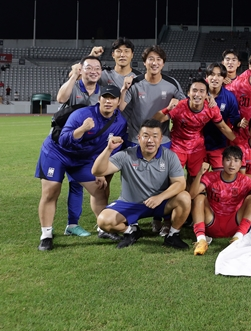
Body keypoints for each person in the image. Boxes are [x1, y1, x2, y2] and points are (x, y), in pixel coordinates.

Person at [35, 85, 127, 250]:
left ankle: (102, 228)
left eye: (112, 98)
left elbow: (113, 148)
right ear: (99, 99)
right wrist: (82, 129)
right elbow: (63, 140)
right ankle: (46, 234)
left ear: (118, 101)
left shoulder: (120, 122)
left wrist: (100, 170)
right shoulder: (82, 114)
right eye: (105, 97)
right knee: (51, 191)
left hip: (82, 159)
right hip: (57, 153)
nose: (108, 101)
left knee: (100, 190)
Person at [92, 119, 191, 249]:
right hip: (130, 203)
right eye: (146, 136)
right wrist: (108, 149)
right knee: (103, 221)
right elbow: (97, 170)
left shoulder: (170, 156)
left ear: (161, 139)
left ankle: (172, 235)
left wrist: (160, 197)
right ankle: (131, 231)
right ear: (139, 138)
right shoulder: (126, 155)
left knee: (184, 197)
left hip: (159, 203)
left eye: (155, 136)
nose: (150, 140)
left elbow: (180, 183)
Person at [54, 55, 106, 238]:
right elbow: (61, 98)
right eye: (89, 68)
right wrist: (73, 76)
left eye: (97, 69)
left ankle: (78, 225)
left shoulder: (102, 92)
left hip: (87, 148)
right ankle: (71, 225)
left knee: (81, 185)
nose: (93, 72)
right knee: (66, 185)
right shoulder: (75, 85)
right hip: (66, 144)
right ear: (81, 70)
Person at [154, 78, 236, 183]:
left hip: (197, 148)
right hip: (177, 146)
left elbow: (223, 127)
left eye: (202, 91)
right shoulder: (180, 106)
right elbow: (156, 120)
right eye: (194, 90)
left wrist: (239, 142)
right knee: (174, 179)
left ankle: (191, 198)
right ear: (188, 93)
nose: (197, 94)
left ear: (207, 95)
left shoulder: (211, 108)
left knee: (195, 179)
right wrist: (168, 108)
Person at [190, 146, 251, 255]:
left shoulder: (244, 180)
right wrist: (200, 174)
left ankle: (238, 237)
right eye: (228, 160)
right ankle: (201, 239)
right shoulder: (211, 176)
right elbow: (192, 195)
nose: (232, 164)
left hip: (234, 223)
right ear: (222, 161)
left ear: (241, 164)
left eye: (236, 160)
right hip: (212, 222)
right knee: (199, 197)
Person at [120, 45, 186, 148]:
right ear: (144, 62)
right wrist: (123, 89)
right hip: (136, 139)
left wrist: (170, 114)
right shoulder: (134, 83)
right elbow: (121, 107)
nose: (154, 63)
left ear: (163, 63)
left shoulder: (172, 83)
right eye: (151, 59)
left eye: (158, 59)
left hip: (162, 140)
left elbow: (186, 106)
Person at [203, 62, 241, 170]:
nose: (215, 78)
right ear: (206, 77)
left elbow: (235, 119)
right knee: (195, 177)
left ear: (224, 79)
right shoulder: (200, 94)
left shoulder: (229, 97)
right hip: (198, 145)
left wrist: (239, 123)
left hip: (219, 144)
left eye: (219, 75)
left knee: (219, 177)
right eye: (212, 74)